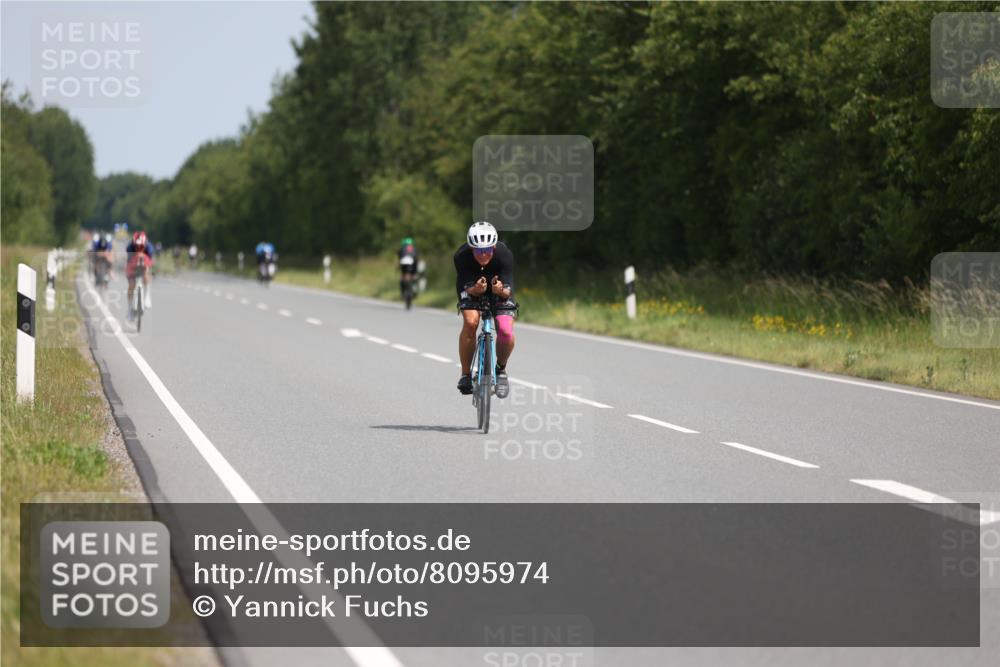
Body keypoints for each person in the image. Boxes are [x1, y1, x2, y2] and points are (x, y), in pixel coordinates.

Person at [454, 221, 516, 399]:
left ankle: (500, 370)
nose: (483, 255)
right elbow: (466, 287)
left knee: (505, 330)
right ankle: (466, 374)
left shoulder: (504, 255)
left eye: (487, 250)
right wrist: (476, 290)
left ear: (494, 246)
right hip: (472, 286)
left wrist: (499, 291)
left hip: (500, 288)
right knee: (471, 322)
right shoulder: (461, 256)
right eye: (478, 251)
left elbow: (507, 290)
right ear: (471, 248)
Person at [126, 231, 154, 319]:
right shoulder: (130, 247)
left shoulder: (149, 247)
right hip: (133, 264)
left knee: (146, 273)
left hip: (144, 264)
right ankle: (130, 308)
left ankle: (147, 295)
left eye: (140, 246)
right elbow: (129, 263)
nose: (138, 247)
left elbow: (149, 263)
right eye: (136, 246)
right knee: (131, 285)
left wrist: (146, 266)